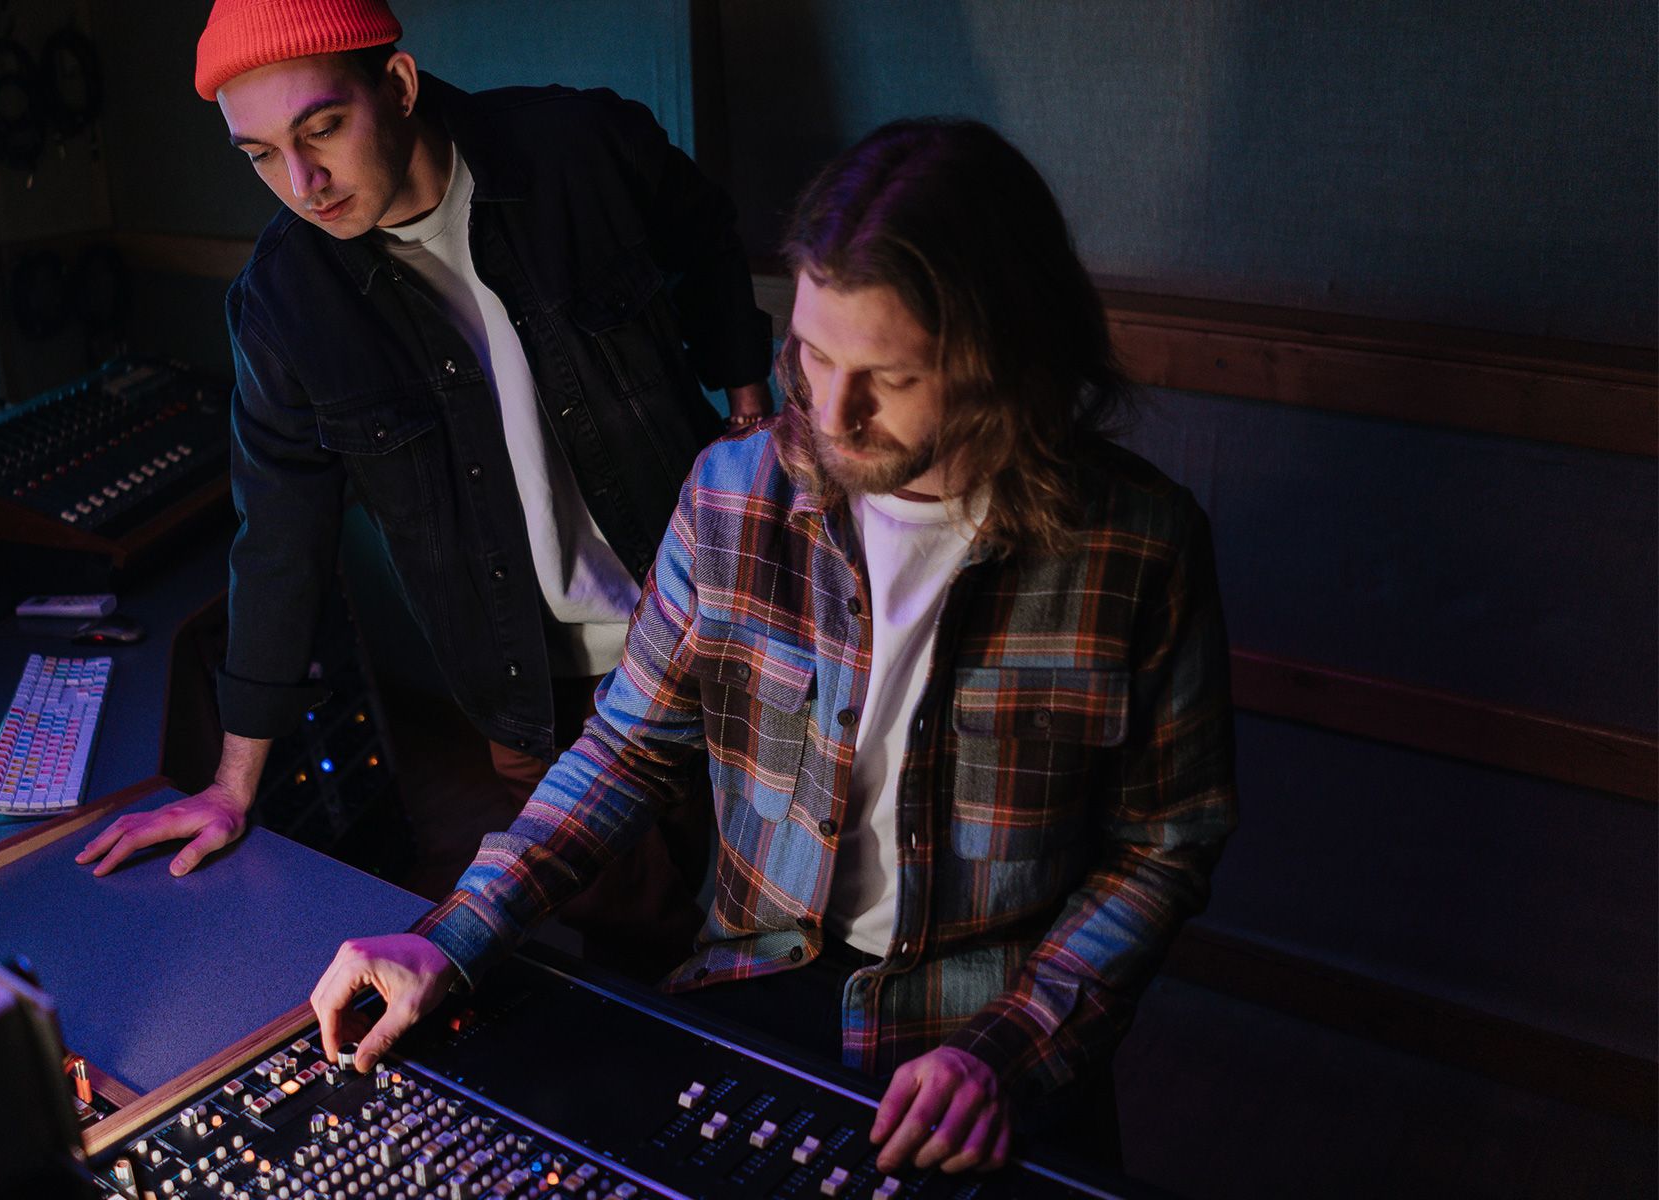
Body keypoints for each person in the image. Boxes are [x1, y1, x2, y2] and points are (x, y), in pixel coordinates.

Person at [310, 118, 1239, 1176]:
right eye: (812, 354)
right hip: (756, 979)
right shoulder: (732, 491)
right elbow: (626, 750)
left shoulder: (1141, 547)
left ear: (1003, 361)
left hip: (983, 1027)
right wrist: (458, 930)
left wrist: (1014, 1048)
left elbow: (1163, 844)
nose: (830, 416)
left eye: (888, 376)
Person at [76, 0, 771, 978]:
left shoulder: (581, 148)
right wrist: (232, 786)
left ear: (397, 86)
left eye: (322, 128)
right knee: (635, 952)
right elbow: (277, 540)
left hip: (716, 625)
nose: (302, 182)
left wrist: (749, 416)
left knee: (780, 923)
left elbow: (704, 235)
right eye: (262, 156)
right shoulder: (284, 304)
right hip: (533, 698)